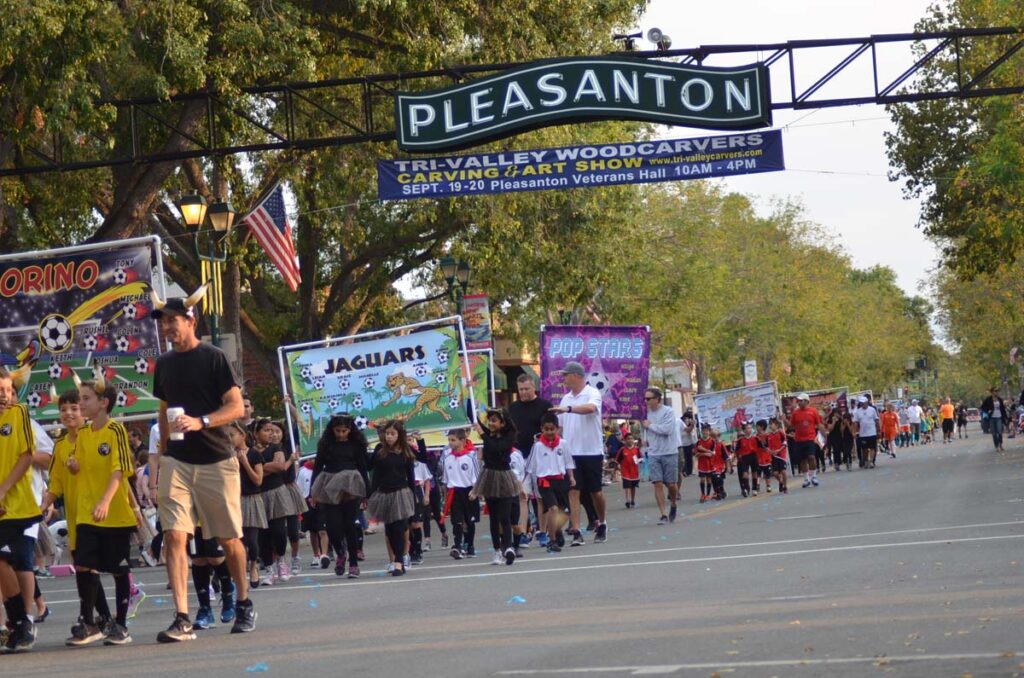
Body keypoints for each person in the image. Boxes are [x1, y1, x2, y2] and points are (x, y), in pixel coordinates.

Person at [149, 287, 255, 641]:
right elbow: (164, 410)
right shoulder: (163, 365)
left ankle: (243, 602)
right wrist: (163, 454)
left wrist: (202, 422)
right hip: (177, 462)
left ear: (190, 321)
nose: (168, 328)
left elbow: (236, 407)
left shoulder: (213, 358)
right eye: (164, 322)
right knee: (175, 537)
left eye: (173, 321)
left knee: (228, 539)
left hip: (216, 459)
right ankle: (182, 616)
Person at [62, 376, 137, 646]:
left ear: (103, 403)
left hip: (113, 514)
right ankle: (89, 623)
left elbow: (120, 469)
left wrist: (106, 500)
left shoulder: (115, 431)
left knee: (118, 571)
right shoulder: (82, 434)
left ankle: (122, 625)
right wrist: (73, 466)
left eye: (85, 399)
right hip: (86, 513)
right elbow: (79, 464)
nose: (80, 404)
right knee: (84, 565)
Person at [0, 366, 42, 652]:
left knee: (15, 561)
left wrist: (3, 490)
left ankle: (22, 620)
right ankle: (19, 623)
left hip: (15, 505)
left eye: (7, 390)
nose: (4, 396)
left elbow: (27, 456)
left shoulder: (19, 414)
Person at [549, 361, 607, 545]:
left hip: (591, 451)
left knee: (595, 492)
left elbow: (590, 409)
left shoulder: (592, 393)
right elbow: (560, 428)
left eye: (566, 375)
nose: (563, 379)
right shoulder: (565, 398)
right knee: (573, 491)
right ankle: (576, 531)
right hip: (571, 454)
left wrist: (569, 409)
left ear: (577, 376)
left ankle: (602, 522)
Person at [310, 414, 369, 579]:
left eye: (344, 431)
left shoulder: (356, 445)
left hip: (351, 486)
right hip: (329, 484)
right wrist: (312, 492)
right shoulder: (326, 444)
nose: (341, 434)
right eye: (338, 431)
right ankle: (340, 553)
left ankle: (353, 564)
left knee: (350, 526)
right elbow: (317, 467)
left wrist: (366, 493)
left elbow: (363, 468)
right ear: (332, 429)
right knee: (332, 527)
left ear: (350, 430)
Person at [366, 420, 417, 576]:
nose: (389, 437)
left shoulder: (405, 451)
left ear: (399, 435)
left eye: (393, 434)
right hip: (385, 494)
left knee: (400, 528)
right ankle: (396, 559)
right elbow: (371, 470)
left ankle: (399, 562)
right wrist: (370, 495)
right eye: (387, 433)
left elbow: (410, 476)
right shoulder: (380, 450)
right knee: (390, 530)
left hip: (401, 493)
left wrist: (413, 498)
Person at [472, 409, 521, 566]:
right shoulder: (488, 434)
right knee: (493, 517)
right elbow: (472, 417)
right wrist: (468, 389)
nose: (491, 423)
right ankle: (497, 550)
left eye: (494, 421)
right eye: (490, 420)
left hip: (504, 476)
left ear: (502, 423)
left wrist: (483, 434)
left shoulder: (509, 436)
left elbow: (496, 447)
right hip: (489, 477)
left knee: (505, 517)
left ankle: (508, 547)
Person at [508, 375, 552, 546]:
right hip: (519, 456)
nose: (523, 392)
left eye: (526, 389)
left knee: (540, 497)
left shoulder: (544, 406)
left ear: (533, 387)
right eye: (520, 390)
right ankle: (524, 531)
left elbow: (552, 430)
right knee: (522, 496)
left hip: (540, 456)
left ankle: (542, 531)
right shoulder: (513, 408)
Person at [524, 412, 574, 553]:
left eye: (552, 429)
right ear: (542, 429)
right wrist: (526, 484)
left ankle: (556, 530)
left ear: (557, 429)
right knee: (552, 509)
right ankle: (551, 541)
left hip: (561, 480)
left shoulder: (563, 444)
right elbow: (530, 467)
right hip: (545, 482)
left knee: (564, 512)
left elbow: (568, 462)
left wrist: (571, 477)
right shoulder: (538, 446)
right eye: (546, 429)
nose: (549, 432)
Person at [227, 422, 265, 589]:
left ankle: (253, 566)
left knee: (252, 538)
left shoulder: (254, 454)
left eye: (232, 435)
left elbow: (258, 480)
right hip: (234, 499)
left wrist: (244, 462)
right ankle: (239, 572)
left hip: (251, 498)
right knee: (237, 540)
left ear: (242, 435)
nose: (229, 439)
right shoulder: (226, 455)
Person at [642, 388, 681, 524]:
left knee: (671, 484)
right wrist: (644, 443)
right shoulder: (645, 413)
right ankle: (663, 514)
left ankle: (674, 504)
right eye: (645, 399)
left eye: (649, 399)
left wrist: (651, 425)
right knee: (657, 483)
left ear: (657, 399)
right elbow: (644, 430)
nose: (646, 401)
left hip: (669, 451)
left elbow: (667, 430)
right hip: (653, 453)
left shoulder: (668, 412)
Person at [785, 393, 825, 488]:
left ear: (806, 401)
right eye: (798, 401)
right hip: (799, 439)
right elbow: (791, 425)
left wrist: (824, 437)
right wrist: (783, 420)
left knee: (811, 456)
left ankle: (814, 477)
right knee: (802, 460)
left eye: (801, 401)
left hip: (810, 438)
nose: (799, 403)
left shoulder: (813, 411)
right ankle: (806, 479)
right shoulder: (795, 413)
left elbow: (819, 424)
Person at [851, 395, 880, 469]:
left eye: (864, 402)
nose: (863, 404)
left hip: (872, 432)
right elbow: (855, 423)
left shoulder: (872, 410)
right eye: (861, 403)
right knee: (864, 449)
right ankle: (866, 460)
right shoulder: (858, 412)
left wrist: (878, 430)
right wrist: (854, 432)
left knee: (872, 447)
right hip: (863, 434)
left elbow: (876, 420)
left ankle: (871, 461)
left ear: (867, 402)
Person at [615, 432, 641, 508]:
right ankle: (628, 501)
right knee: (627, 486)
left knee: (633, 487)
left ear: (633, 440)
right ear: (625, 440)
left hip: (634, 472)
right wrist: (615, 469)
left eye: (631, 439)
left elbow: (640, 459)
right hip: (625, 472)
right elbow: (617, 461)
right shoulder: (622, 450)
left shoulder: (636, 450)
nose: (630, 440)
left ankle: (632, 500)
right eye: (628, 439)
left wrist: (638, 460)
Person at [733, 422, 759, 498]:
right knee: (745, 474)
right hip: (745, 458)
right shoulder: (741, 440)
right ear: (744, 430)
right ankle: (745, 489)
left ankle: (754, 488)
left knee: (754, 473)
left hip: (753, 456)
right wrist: (733, 459)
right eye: (747, 428)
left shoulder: (755, 438)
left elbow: (763, 447)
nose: (749, 430)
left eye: (750, 428)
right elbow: (736, 450)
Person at [980, 388, 1007, 452]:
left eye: (997, 391)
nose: (996, 392)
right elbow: (982, 407)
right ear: (992, 392)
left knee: (1000, 432)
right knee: (994, 433)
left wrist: (1005, 417)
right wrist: (987, 411)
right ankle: (996, 446)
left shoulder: (1000, 399)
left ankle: (1000, 444)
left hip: (999, 417)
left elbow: (1003, 409)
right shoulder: (988, 399)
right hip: (991, 418)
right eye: (995, 391)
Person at [693, 425, 716, 503]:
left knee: (709, 479)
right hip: (702, 464)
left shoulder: (712, 441)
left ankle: (708, 494)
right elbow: (696, 454)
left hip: (710, 464)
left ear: (709, 432)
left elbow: (712, 454)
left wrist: (703, 452)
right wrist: (705, 453)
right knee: (702, 479)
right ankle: (702, 494)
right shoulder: (699, 442)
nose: (705, 432)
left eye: (706, 431)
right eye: (703, 431)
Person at [767, 417, 788, 493]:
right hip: (773, 456)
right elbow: (767, 446)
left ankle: (785, 486)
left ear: (776, 425)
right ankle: (781, 482)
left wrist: (778, 450)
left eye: (771, 424)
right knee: (775, 473)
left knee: (783, 471)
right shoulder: (769, 436)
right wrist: (770, 451)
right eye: (769, 424)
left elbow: (784, 443)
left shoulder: (781, 433)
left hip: (781, 455)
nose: (770, 426)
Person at [678, 410, 697, 480]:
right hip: (683, 444)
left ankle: (689, 471)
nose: (688, 420)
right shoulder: (681, 423)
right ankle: (684, 471)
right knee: (684, 458)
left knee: (689, 457)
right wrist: (692, 425)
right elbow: (687, 431)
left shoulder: (689, 424)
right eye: (688, 419)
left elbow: (692, 433)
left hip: (690, 443)